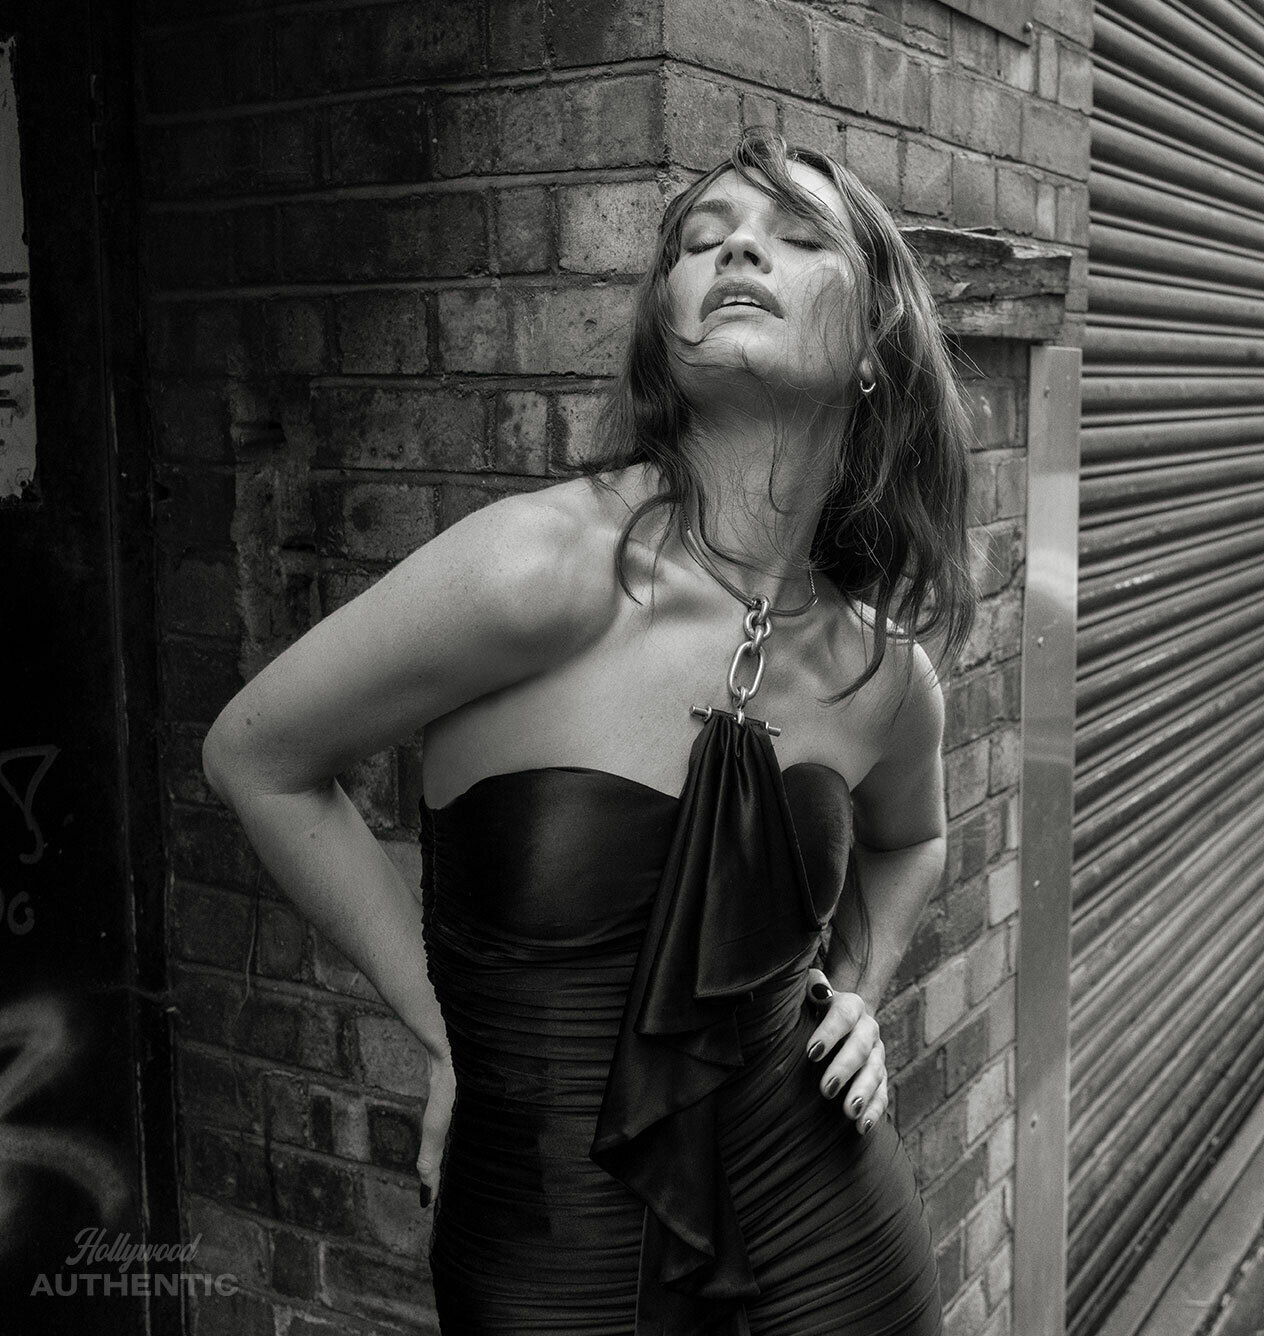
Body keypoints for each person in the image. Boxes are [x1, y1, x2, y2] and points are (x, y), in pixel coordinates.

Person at [201, 126, 970, 1334]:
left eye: (795, 236)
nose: (738, 252)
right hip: (550, 1251)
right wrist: (443, 1029)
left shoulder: (884, 675)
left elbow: (912, 840)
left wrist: (857, 993)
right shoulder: (540, 571)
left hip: (832, 1245)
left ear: (876, 344)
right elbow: (257, 757)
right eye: (702, 241)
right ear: (665, 328)